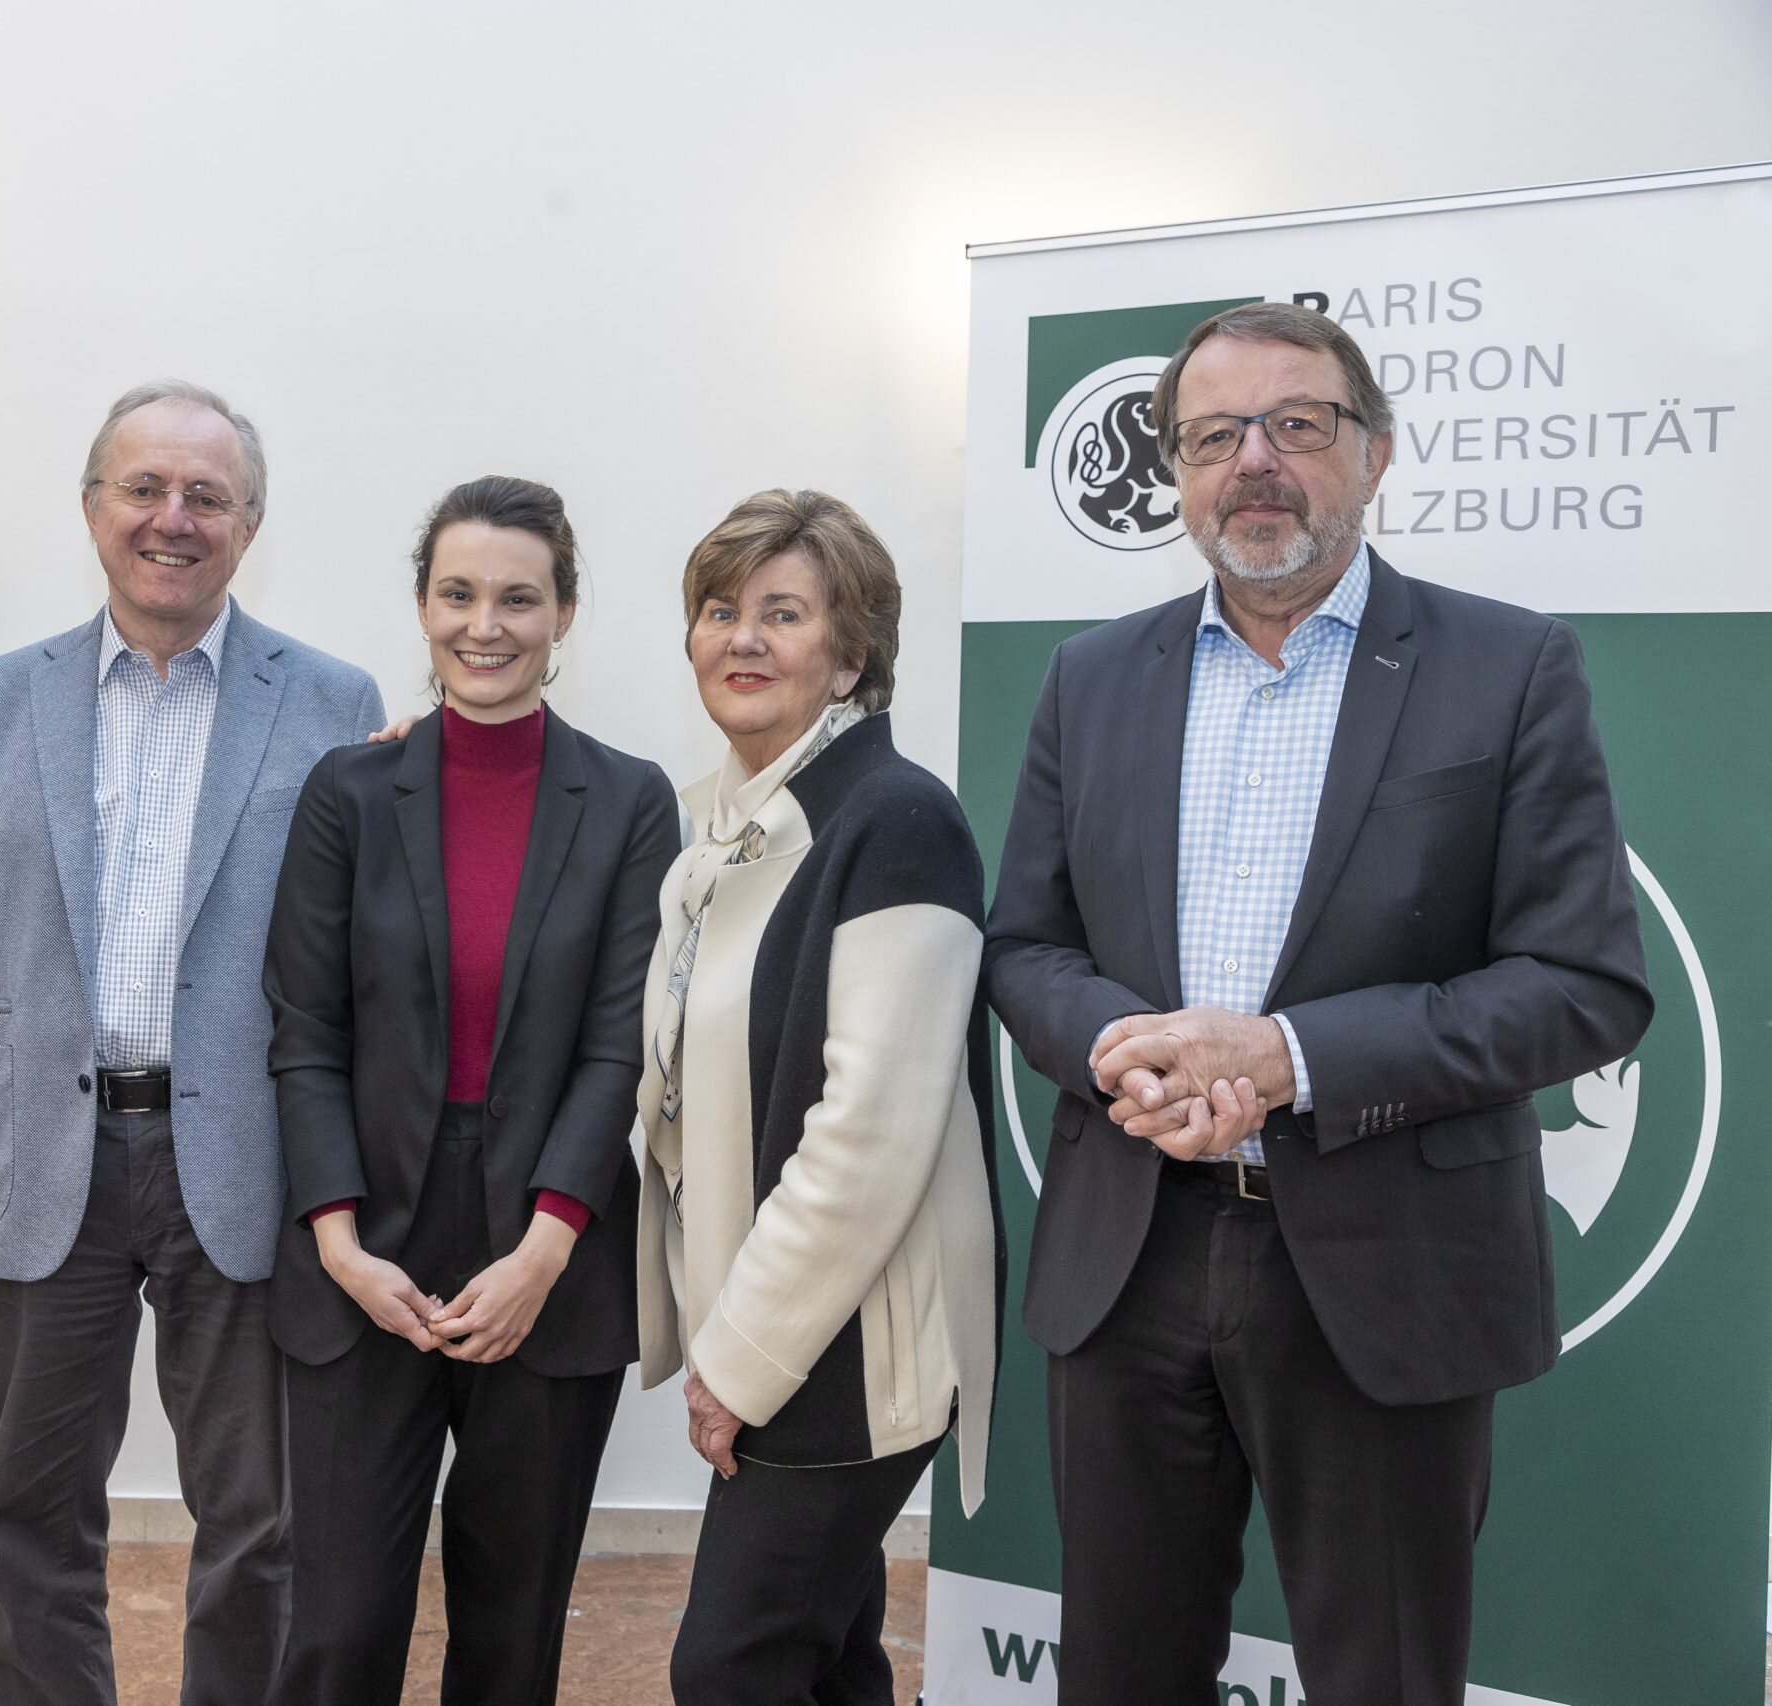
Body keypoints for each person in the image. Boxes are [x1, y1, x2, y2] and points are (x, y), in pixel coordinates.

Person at [984, 301, 1652, 1703]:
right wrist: (1122, 1045)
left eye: (1296, 423)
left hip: (1385, 1259)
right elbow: (1026, 946)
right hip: (1128, 1250)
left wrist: (1291, 1054)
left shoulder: (1510, 666)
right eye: (1214, 434)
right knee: (1118, 1671)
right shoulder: (1091, 677)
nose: (1254, 460)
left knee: (1383, 1673)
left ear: (1375, 451)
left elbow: (1582, 986)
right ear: (1177, 470)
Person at [0, 381, 385, 1706]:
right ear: (93, 505)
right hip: (46, 1157)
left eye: (207, 495)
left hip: (250, 1160)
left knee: (260, 1517)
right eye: (144, 487)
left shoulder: (332, 701)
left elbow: (366, 967)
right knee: (32, 1506)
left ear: (250, 522)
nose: (174, 518)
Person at [260, 476, 680, 1705]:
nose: (483, 625)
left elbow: (620, 1045)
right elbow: (304, 1031)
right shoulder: (347, 792)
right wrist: (338, 1242)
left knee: (511, 1635)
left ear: (563, 613)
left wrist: (544, 1250)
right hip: (363, 1249)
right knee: (336, 1629)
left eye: (517, 598)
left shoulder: (630, 799)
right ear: (422, 604)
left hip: (549, 1247)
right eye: (457, 593)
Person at [634, 489, 1002, 1705]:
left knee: (731, 1665)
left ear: (850, 657)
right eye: (718, 608)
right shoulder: (728, 826)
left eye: (782, 613)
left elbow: (870, 1134)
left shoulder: (895, 820)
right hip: (783, 1320)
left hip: (848, 1342)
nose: (740, 636)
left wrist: (738, 1359)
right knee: (829, 1659)